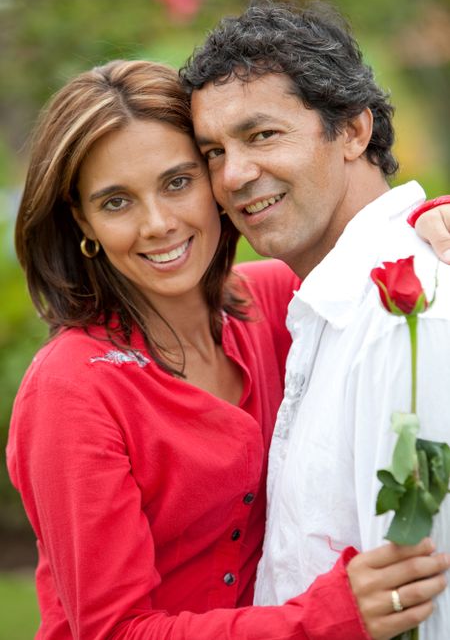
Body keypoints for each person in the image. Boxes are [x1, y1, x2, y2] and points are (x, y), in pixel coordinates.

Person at [6, 58, 449, 640]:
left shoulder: (271, 302)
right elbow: (114, 631)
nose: (158, 223)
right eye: (116, 201)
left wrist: (424, 219)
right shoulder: (73, 388)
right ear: (81, 219)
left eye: (177, 181)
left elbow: (363, 258)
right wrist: (329, 617)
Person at [180, 0, 450, 638]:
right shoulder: (327, 304)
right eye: (213, 151)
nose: (235, 176)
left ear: (354, 130)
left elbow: (424, 597)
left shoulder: (408, 315)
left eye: (263, 134)